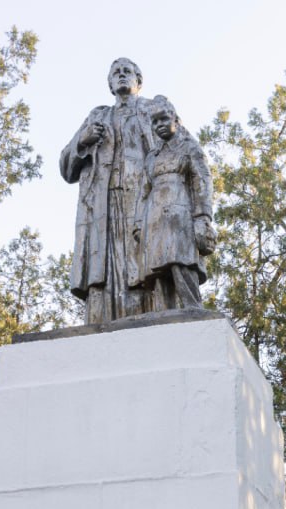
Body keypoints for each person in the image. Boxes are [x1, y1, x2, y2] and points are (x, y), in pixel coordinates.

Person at [60, 57, 159, 323]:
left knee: (141, 266)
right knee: (102, 271)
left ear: (139, 81)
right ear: (110, 84)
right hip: (102, 206)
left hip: (142, 201)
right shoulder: (98, 116)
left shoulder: (152, 109)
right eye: (116, 72)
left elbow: (180, 146)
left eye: (127, 71)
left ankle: (147, 323)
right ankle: (102, 326)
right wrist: (83, 141)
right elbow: (66, 167)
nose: (122, 75)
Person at [134, 96, 215, 310]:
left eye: (163, 119)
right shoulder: (152, 156)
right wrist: (138, 223)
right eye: (155, 122)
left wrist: (202, 217)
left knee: (182, 263)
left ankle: (193, 309)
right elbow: (144, 191)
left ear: (176, 120)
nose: (159, 125)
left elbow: (202, 181)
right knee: (159, 270)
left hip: (181, 215)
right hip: (154, 218)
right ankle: (164, 313)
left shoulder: (189, 148)